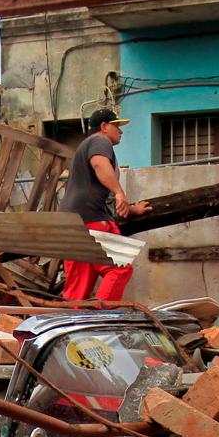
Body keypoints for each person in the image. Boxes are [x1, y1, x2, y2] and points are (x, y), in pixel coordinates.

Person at [57, 108, 152, 301]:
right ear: (104, 126)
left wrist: (132, 209)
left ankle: (71, 326)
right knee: (120, 269)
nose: (121, 131)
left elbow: (103, 195)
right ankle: (102, 315)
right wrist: (119, 192)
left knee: (78, 285)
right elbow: (100, 165)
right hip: (92, 219)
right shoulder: (100, 141)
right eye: (117, 126)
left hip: (71, 224)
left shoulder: (84, 148)